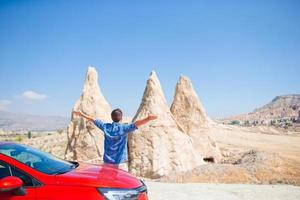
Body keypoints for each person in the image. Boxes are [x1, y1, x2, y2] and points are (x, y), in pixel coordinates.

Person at [73, 108, 157, 170]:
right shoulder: (124, 128)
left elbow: (93, 119)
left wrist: (81, 114)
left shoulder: (106, 127)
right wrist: (148, 118)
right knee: (122, 185)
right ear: (121, 117)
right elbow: (136, 124)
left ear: (111, 117)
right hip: (120, 162)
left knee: (108, 184)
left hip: (107, 162)